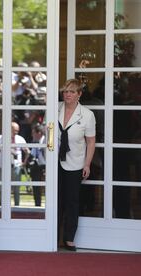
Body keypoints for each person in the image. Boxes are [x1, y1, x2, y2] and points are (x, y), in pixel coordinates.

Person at [58, 78, 96, 251]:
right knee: (55, 200)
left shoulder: (87, 114)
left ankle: (69, 238)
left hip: (75, 163)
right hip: (55, 161)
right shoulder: (55, 108)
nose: (68, 94)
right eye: (66, 91)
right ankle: (53, 235)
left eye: (72, 91)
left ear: (79, 94)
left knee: (72, 201)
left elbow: (90, 142)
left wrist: (87, 164)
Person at [29, 124, 46, 206]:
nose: (32, 135)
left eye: (33, 133)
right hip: (38, 167)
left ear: (39, 133)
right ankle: (37, 204)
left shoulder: (46, 141)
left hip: (46, 166)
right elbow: (33, 155)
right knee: (35, 186)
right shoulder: (35, 142)